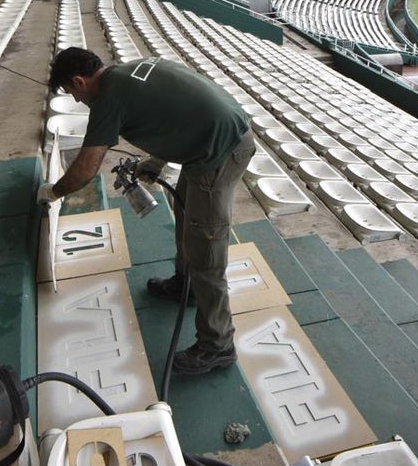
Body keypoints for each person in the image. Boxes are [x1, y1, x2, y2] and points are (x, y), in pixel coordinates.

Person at [38, 47, 255, 375]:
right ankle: (186, 286)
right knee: (186, 216)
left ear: (79, 81)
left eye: (73, 94)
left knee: (207, 253)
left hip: (222, 152)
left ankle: (217, 345)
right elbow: (176, 113)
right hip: (213, 142)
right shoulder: (132, 69)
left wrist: (53, 192)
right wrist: (155, 161)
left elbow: (85, 168)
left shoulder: (108, 99)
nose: (78, 101)